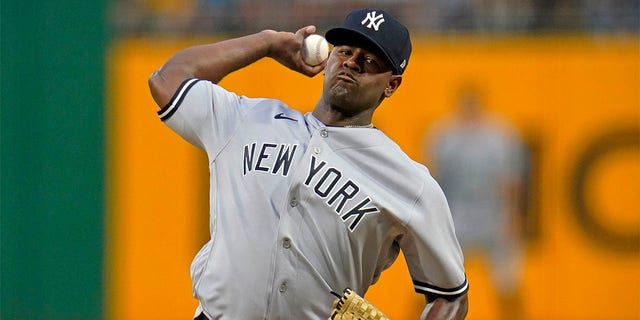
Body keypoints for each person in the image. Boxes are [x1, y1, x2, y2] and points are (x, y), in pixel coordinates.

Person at [148, 8, 469, 319]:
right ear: (328, 57)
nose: (352, 63)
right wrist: (266, 43)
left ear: (391, 84)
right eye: (344, 51)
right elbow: (167, 79)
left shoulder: (410, 183)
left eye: (370, 61)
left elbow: (451, 297)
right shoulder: (248, 120)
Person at [423, 85, 526, 319]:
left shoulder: (499, 136)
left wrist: (512, 218)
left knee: (508, 286)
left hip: (494, 218)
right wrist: (434, 223)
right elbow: (434, 182)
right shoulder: (444, 136)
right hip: (457, 218)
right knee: (435, 285)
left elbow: (511, 183)